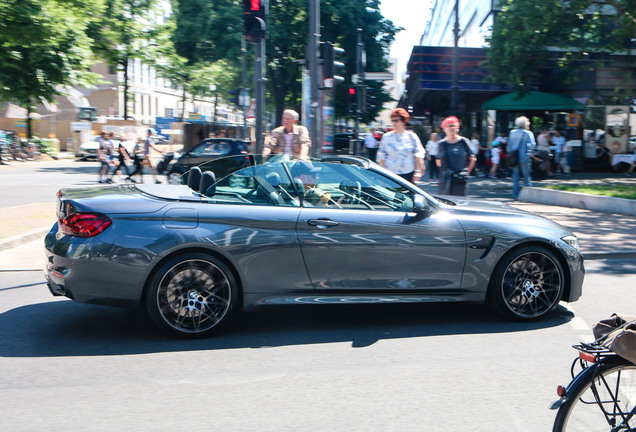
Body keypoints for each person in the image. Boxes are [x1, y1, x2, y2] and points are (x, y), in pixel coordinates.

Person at [376, 108, 426, 183]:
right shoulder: (386, 137)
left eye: (396, 120)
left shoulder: (411, 136)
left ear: (403, 121)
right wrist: (383, 174)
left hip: (408, 173)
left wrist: (418, 171)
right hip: (391, 174)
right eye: (392, 120)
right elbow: (381, 156)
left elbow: (418, 154)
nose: (394, 123)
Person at [436, 116, 476, 196]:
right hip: (446, 179)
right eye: (449, 126)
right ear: (444, 129)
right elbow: (438, 162)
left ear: (457, 128)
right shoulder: (441, 144)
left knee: (460, 203)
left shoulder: (464, 141)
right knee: (445, 202)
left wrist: (466, 171)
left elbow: (473, 159)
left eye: (454, 125)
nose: (451, 128)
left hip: (460, 179)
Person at [507, 116, 536, 200]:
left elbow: (509, 146)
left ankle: (515, 195)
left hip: (514, 158)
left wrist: (510, 153)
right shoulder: (528, 133)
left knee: (515, 177)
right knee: (526, 177)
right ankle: (527, 196)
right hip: (524, 157)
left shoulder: (512, 132)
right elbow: (532, 145)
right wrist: (529, 153)